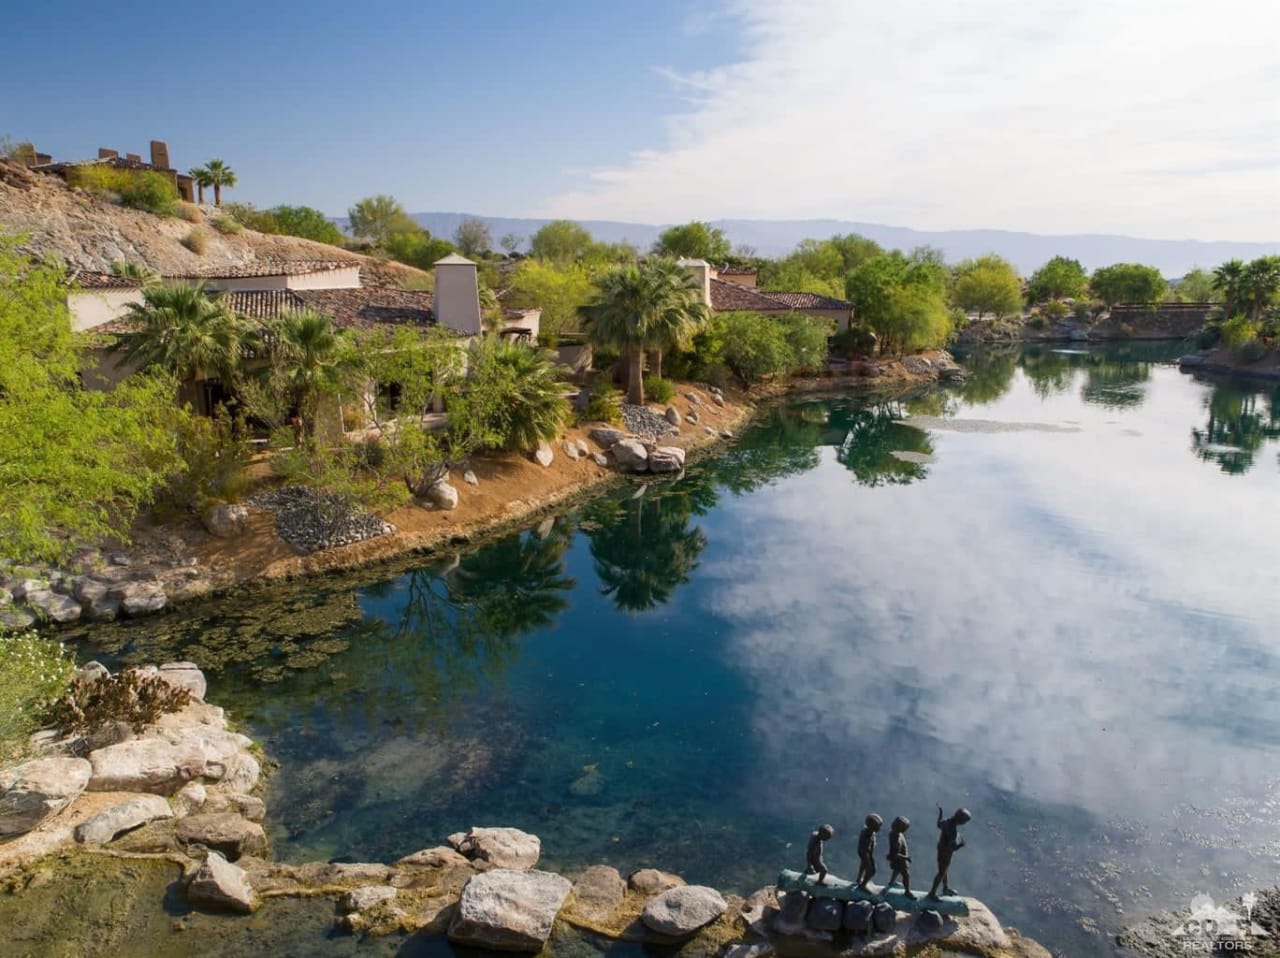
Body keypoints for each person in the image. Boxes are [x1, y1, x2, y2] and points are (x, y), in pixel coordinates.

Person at [928, 806, 971, 900]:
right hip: (945, 853)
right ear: (961, 820)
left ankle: (945, 888)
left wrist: (941, 813)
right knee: (941, 872)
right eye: (965, 821)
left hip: (940, 848)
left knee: (944, 870)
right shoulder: (953, 831)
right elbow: (951, 847)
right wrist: (960, 845)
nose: (964, 823)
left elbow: (938, 824)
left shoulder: (946, 821)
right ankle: (932, 893)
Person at [885, 815, 915, 899]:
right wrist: (906, 858)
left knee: (896, 870)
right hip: (900, 859)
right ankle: (907, 891)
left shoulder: (894, 833)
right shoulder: (896, 839)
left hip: (899, 858)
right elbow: (896, 854)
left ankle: (891, 882)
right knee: (906, 875)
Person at [856, 813, 882, 891]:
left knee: (863, 865)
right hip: (865, 853)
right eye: (878, 827)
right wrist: (868, 858)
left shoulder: (869, 832)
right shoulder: (867, 834)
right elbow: (865, 848)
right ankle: (863, 885)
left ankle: (859, 879)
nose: (879, 829)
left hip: (865, 853)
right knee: (871, 870)